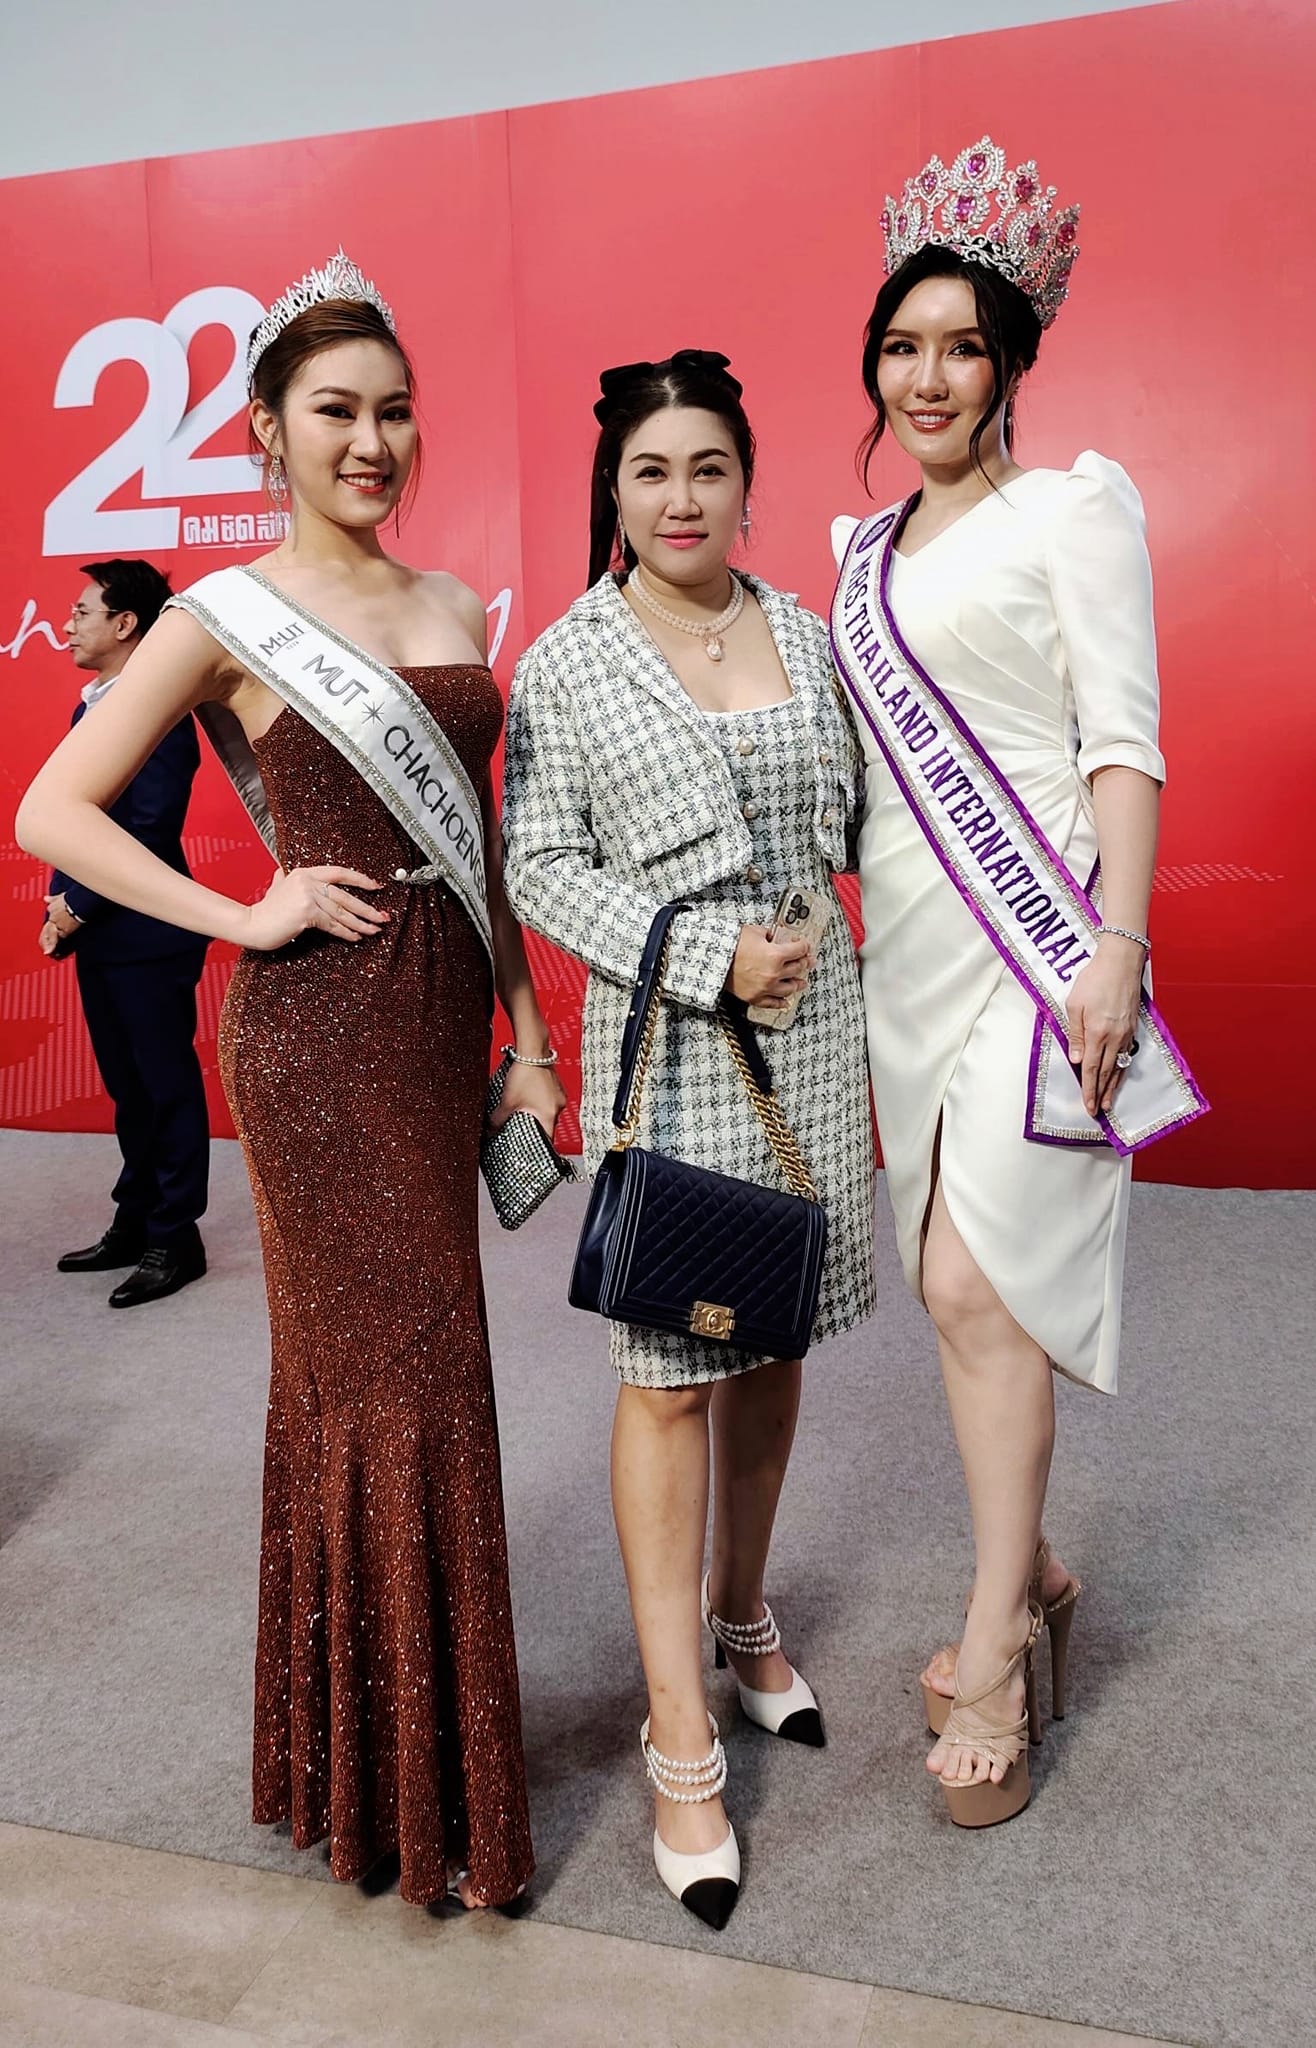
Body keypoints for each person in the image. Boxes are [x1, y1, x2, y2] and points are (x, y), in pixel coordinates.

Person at [17, 249, 564, 1909]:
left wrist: (530, 1033)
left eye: (395, 410)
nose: (372, 441)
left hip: (438, 1023)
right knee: (377, 1381)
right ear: (267, 428)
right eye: (336, 410)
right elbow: (51, 808)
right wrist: (241, 910)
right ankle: (392, 1781)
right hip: (317, 1035)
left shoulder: (452, 602)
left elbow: (479, 843)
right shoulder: (221, 618)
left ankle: (402, 1762)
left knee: (439, 1375)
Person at [831, 139, 1205, 1826]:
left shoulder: (1074, 509)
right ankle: (1034, 1566)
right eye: (903, 346)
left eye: (963, 347)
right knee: (947, 1284)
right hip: (903, 960)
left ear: (1010, 363)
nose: (929, 377)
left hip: (1036, 949)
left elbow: (1122, 740)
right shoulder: (858, 554)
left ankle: (994, 1641)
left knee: (980, 1284)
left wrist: (1116, 942)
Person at [503, 349, 875, 1927]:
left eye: (708, 467)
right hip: (674, 1053)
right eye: (651, 471)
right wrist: (702, 948)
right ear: (615, 489)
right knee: (668, 1375)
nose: (681, 498)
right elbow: (537, 863)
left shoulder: (809, 632)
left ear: (745, 482)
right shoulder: (570, 662)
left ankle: (742, 1613)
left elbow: (864, 829)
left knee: (774, 1338)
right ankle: (679, 1739)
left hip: (817, 1047)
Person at [43, 559, 210, 1308]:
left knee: (164, 1088)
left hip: (147, 934)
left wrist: (74, 906)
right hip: (104, 934)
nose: (67, 626)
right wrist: (60, 904)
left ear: (125, 623)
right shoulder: (98, 706)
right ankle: (135, 1219)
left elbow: (146, 832)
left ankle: (176, 1238)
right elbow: (73, 817)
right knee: (128, 1090)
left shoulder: (158, 711)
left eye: (82, 613)